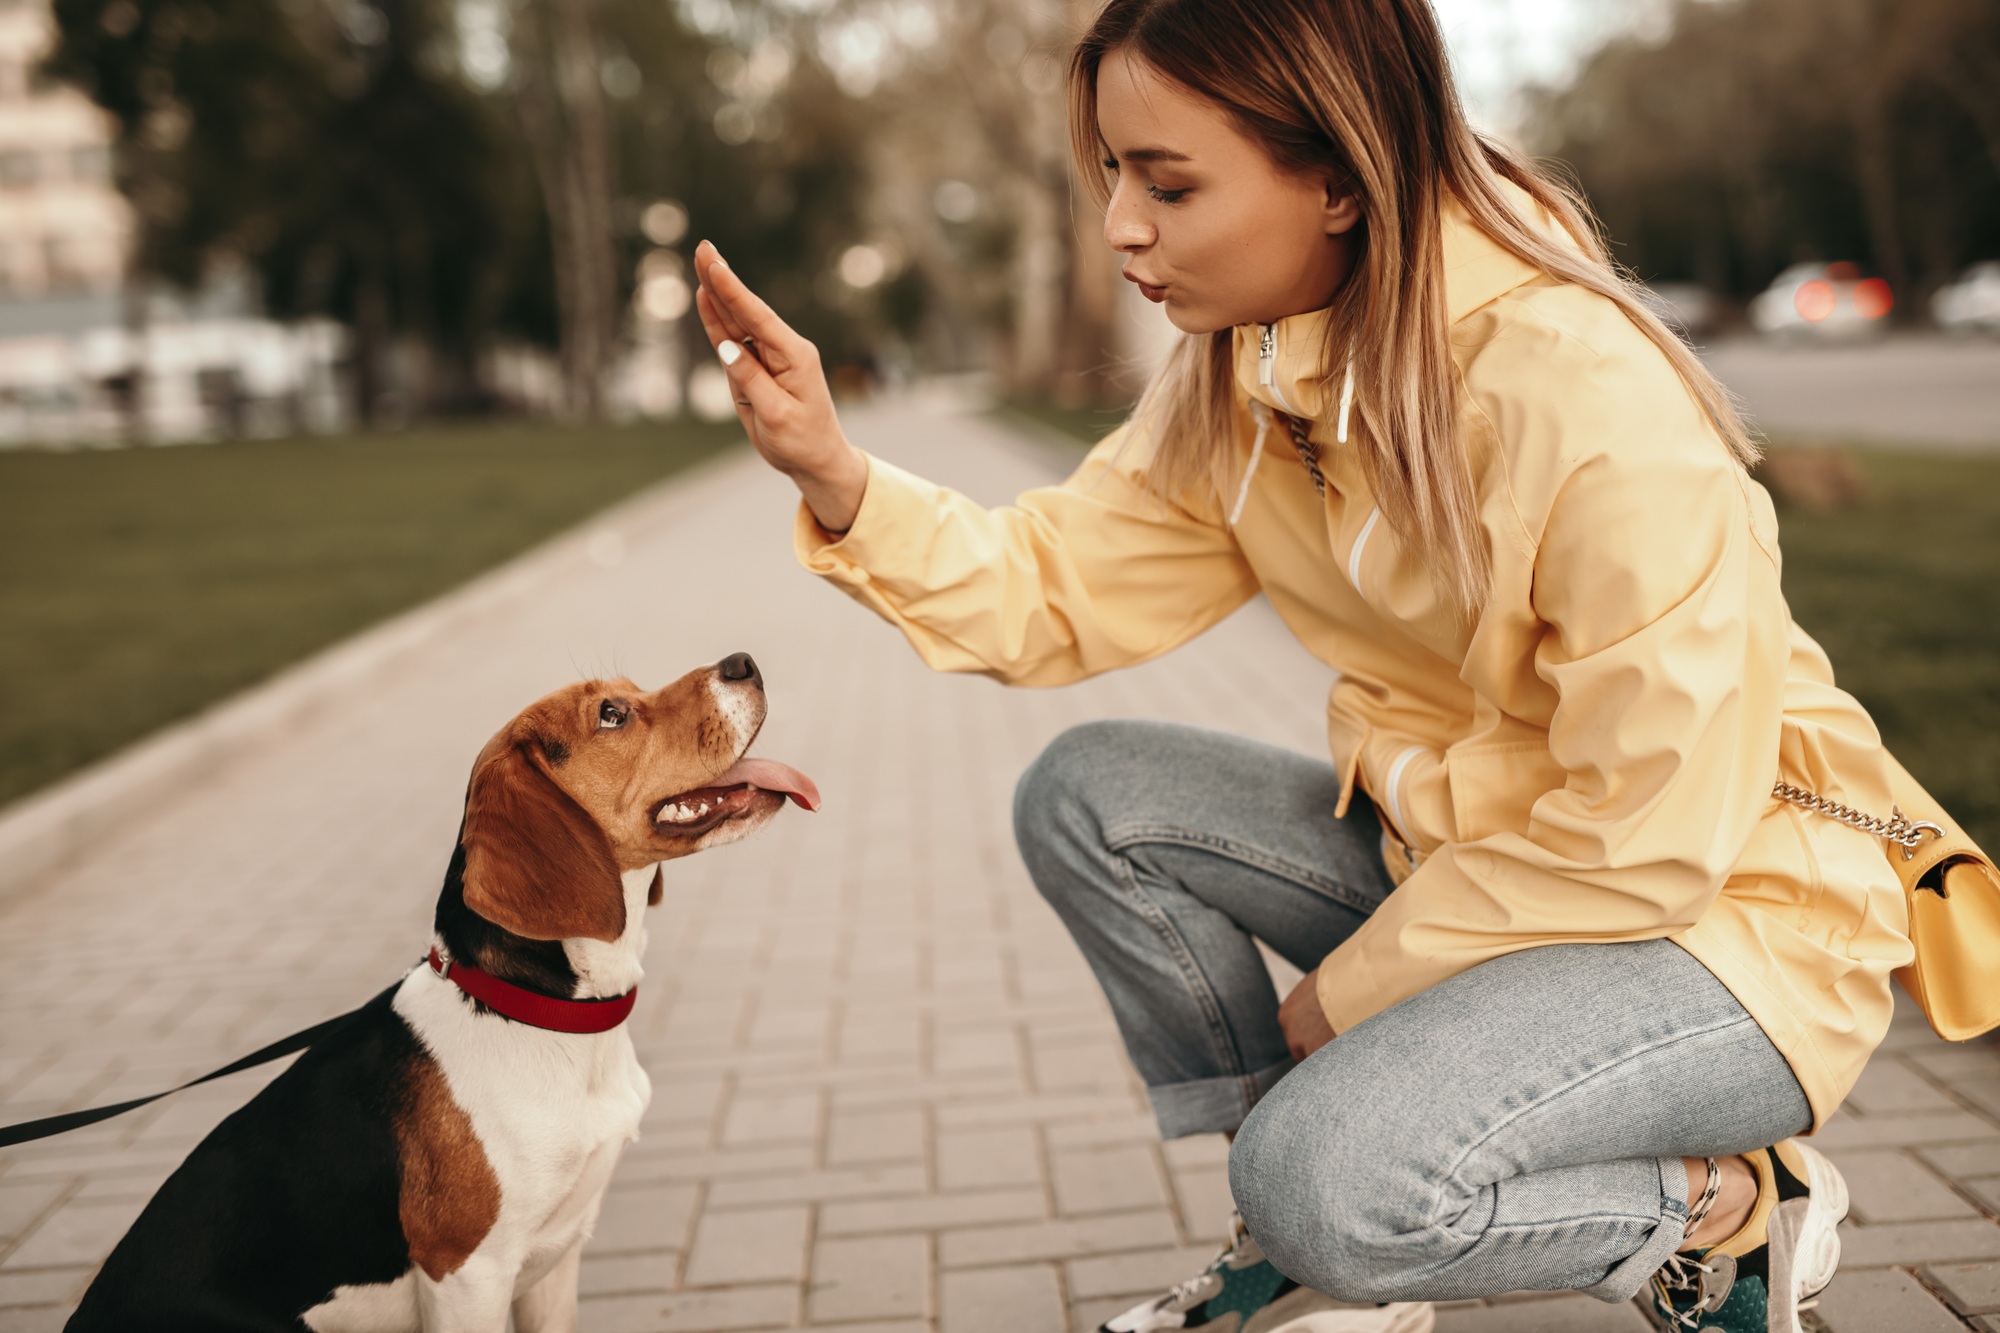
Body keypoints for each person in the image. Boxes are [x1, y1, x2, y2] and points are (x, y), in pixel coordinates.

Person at [690, 1, 1912, 1328]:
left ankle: (1719, 1213)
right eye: (1112, 175)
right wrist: (837, 471)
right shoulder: (1253, 375)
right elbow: (1052, 587)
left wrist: (1353, 991)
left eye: (1169, 182)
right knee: (1094, 795)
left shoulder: (1586, 400)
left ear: (1337, 174)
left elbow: (1648, 838)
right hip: (1478, 872)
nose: (1122, 226)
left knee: (1325, 1175)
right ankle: (1329, 1235)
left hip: (1727, 930)